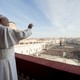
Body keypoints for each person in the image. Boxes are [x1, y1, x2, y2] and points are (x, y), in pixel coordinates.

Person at [0, 15, 33, 80]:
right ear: (2, 20)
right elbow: (21, 34)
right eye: (8, 22)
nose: (8, 24)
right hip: (6, 61)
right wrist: (29, 29)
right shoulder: (4, 29)